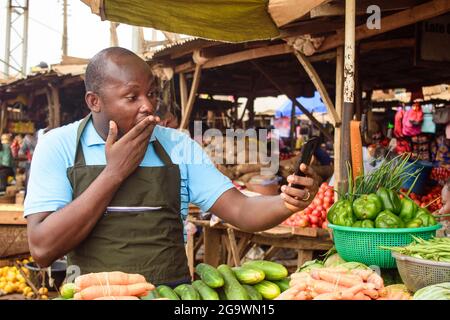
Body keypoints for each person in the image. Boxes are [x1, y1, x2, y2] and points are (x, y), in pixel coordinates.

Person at [24, 47, 320, 287]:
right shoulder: (59, 147)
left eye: (151, 93)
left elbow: (241, 210)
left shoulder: (178, 146)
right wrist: (114, 173)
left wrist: (287, 203)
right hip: (93, 295)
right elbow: (42, 249)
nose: (148, 106)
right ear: (94, 101)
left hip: (174, 297)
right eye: (132, 97)